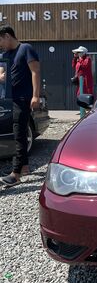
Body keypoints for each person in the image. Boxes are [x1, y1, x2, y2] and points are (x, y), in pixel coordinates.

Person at [0, 24, 40, 187]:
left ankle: (15, 174)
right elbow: (2, 74)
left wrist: (35, 96)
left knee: (19, 133)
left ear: (7, 36)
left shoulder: (26, 49)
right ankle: (24, 167)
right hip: (11, 98)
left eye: (0, 41)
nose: (0, 45)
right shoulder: (5, 54)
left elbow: (35, 72)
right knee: (19, 132)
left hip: (23, 98)